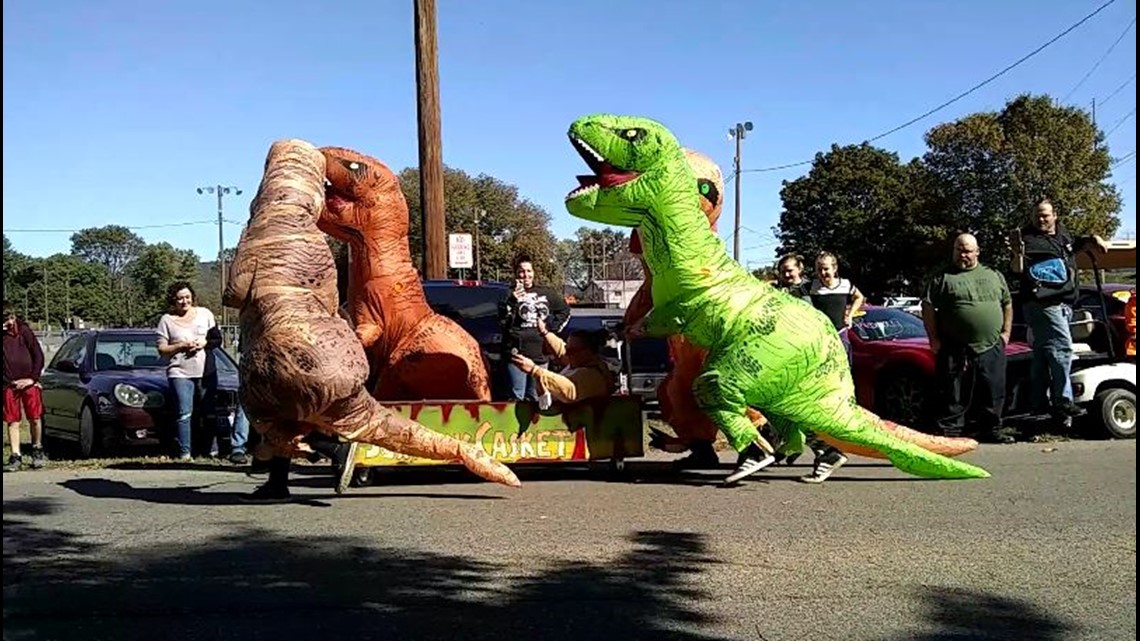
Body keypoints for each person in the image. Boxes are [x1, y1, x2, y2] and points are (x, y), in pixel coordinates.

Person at [1010, 198, 1108, 418]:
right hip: (1042, 303)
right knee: (1063, 349)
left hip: (1064, 304)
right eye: (1036, 215)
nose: (1041, 219)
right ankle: (1063, 401)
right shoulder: (1027, 239)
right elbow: (1016, 269)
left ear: (1055, 215)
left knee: (1044, 354)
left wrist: (1095, 239)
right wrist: (1017, 253)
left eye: (1045, 215)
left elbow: (1079, 242)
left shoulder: (1063, 236)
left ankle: (1037, 402)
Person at [923, 233, 1017, 444]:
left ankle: (990, 429)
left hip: (991, 344)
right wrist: (933, 339)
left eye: (966, 251)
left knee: (993, 388)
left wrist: (1006, 333)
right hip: (954, 345)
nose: (962, 255)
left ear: (977, 252)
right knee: (952, 390)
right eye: (958, 249)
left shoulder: (993, 275)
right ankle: (949, 431)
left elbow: (1007, 303)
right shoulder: (942, 277)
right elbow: (927, 307)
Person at [155, 281, 219, 460]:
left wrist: (204, 343)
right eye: (180, 298)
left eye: (187, 297)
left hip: (206, 371)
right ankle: (185, 452)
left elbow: (216, 340)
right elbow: (162, 349)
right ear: (173, 301)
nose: (184, 301)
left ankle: (211, 451)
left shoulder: (205, 314)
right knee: (184, 413)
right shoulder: (166, 320)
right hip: (180, 372)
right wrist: (181, 346)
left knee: (209, 412)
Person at [499, 254, 571, 401]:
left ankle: (536, 423)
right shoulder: (507, 295)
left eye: (529, 271)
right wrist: (512, 302)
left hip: (540, 354)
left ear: (533, 273)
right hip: (517, 355)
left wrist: (550, 329)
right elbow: (501, 322)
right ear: (516, 274)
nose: (525, 275)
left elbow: (565, 310)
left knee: (537, 396)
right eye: (521, 271)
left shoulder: (546, 293)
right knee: (516, 396)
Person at [511, 318, 614, 406]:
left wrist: (535, 370)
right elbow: (560, 350)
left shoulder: (593, 375)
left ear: (587, 352)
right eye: (567, 348)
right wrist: (545, 333)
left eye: (571, 351)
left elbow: (570, 390)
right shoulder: (578, 362)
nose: (567, 353)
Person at [3, 307, 47, 472]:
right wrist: (9, 381)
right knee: (12, 420)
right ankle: (15, 455)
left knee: (34, 417)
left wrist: (32, 379)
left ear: (12, 317)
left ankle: (37, 448)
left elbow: (38, 356)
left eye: (7, 320)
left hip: (29, 382)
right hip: (9, 384)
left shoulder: (24, 331)